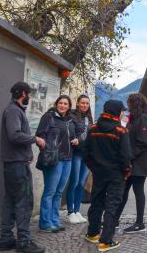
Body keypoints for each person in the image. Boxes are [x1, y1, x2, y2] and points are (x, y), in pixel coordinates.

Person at [0, 82, 45, 253]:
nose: (29, 97)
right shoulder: (13, 111)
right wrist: (35, 139)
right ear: (23, 94)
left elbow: (16, 137)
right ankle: (23, 242)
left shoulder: (15, 111)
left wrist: (28, 153)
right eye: (29, 94)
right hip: (16, 166)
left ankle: (6, 239)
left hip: (15, 163)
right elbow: (15, 135)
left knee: (10, 201)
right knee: (23, 202)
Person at [84, 99, 132, 253]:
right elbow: (126, 156)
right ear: (117, 112)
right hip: (115, 174)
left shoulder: (93, 128)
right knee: (112, 205)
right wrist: (126, 171)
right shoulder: (120, 130)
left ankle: (92, 233)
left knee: (96, 201)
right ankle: (106, 241)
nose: (122, 113)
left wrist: (94, 167)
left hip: (98, 172)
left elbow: (86, 153)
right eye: (121, 111)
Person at [116, 94, 147, 234]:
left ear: (135, 103)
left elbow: (144, 141)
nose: (127, 105)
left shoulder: (143, 118)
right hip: (133, 161)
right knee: (124, 190)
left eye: (129, 103)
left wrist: (130, 155)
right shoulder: (134, 118)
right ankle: (114, 220)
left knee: (137, 191)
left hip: (140, 162)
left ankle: (140, 223)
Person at [35, 95, 77, 232]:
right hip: (55, 159)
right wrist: (48, 147)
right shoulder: (49, 117)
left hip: (68, 159)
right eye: (61, 103)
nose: (63, 105)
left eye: (66, 104)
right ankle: (45, 222)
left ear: (69, 106)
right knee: (50, 191)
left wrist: (75, 139)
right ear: (56, 104)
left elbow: (71, 135)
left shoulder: (70, 120)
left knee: (59, 192)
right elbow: (40, 135)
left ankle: (54, 219)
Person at [66, 94, 93, 225]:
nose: (84, 105)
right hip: (76, 154)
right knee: (74, 181)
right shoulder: (72, 116)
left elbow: (90, 136)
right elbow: (71, 135)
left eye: (87, 103)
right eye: (82, 103)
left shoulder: (89, 117)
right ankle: (70, 211)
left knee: (82, 183)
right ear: (77, 103)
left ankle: (77, 211)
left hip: (86, 155)